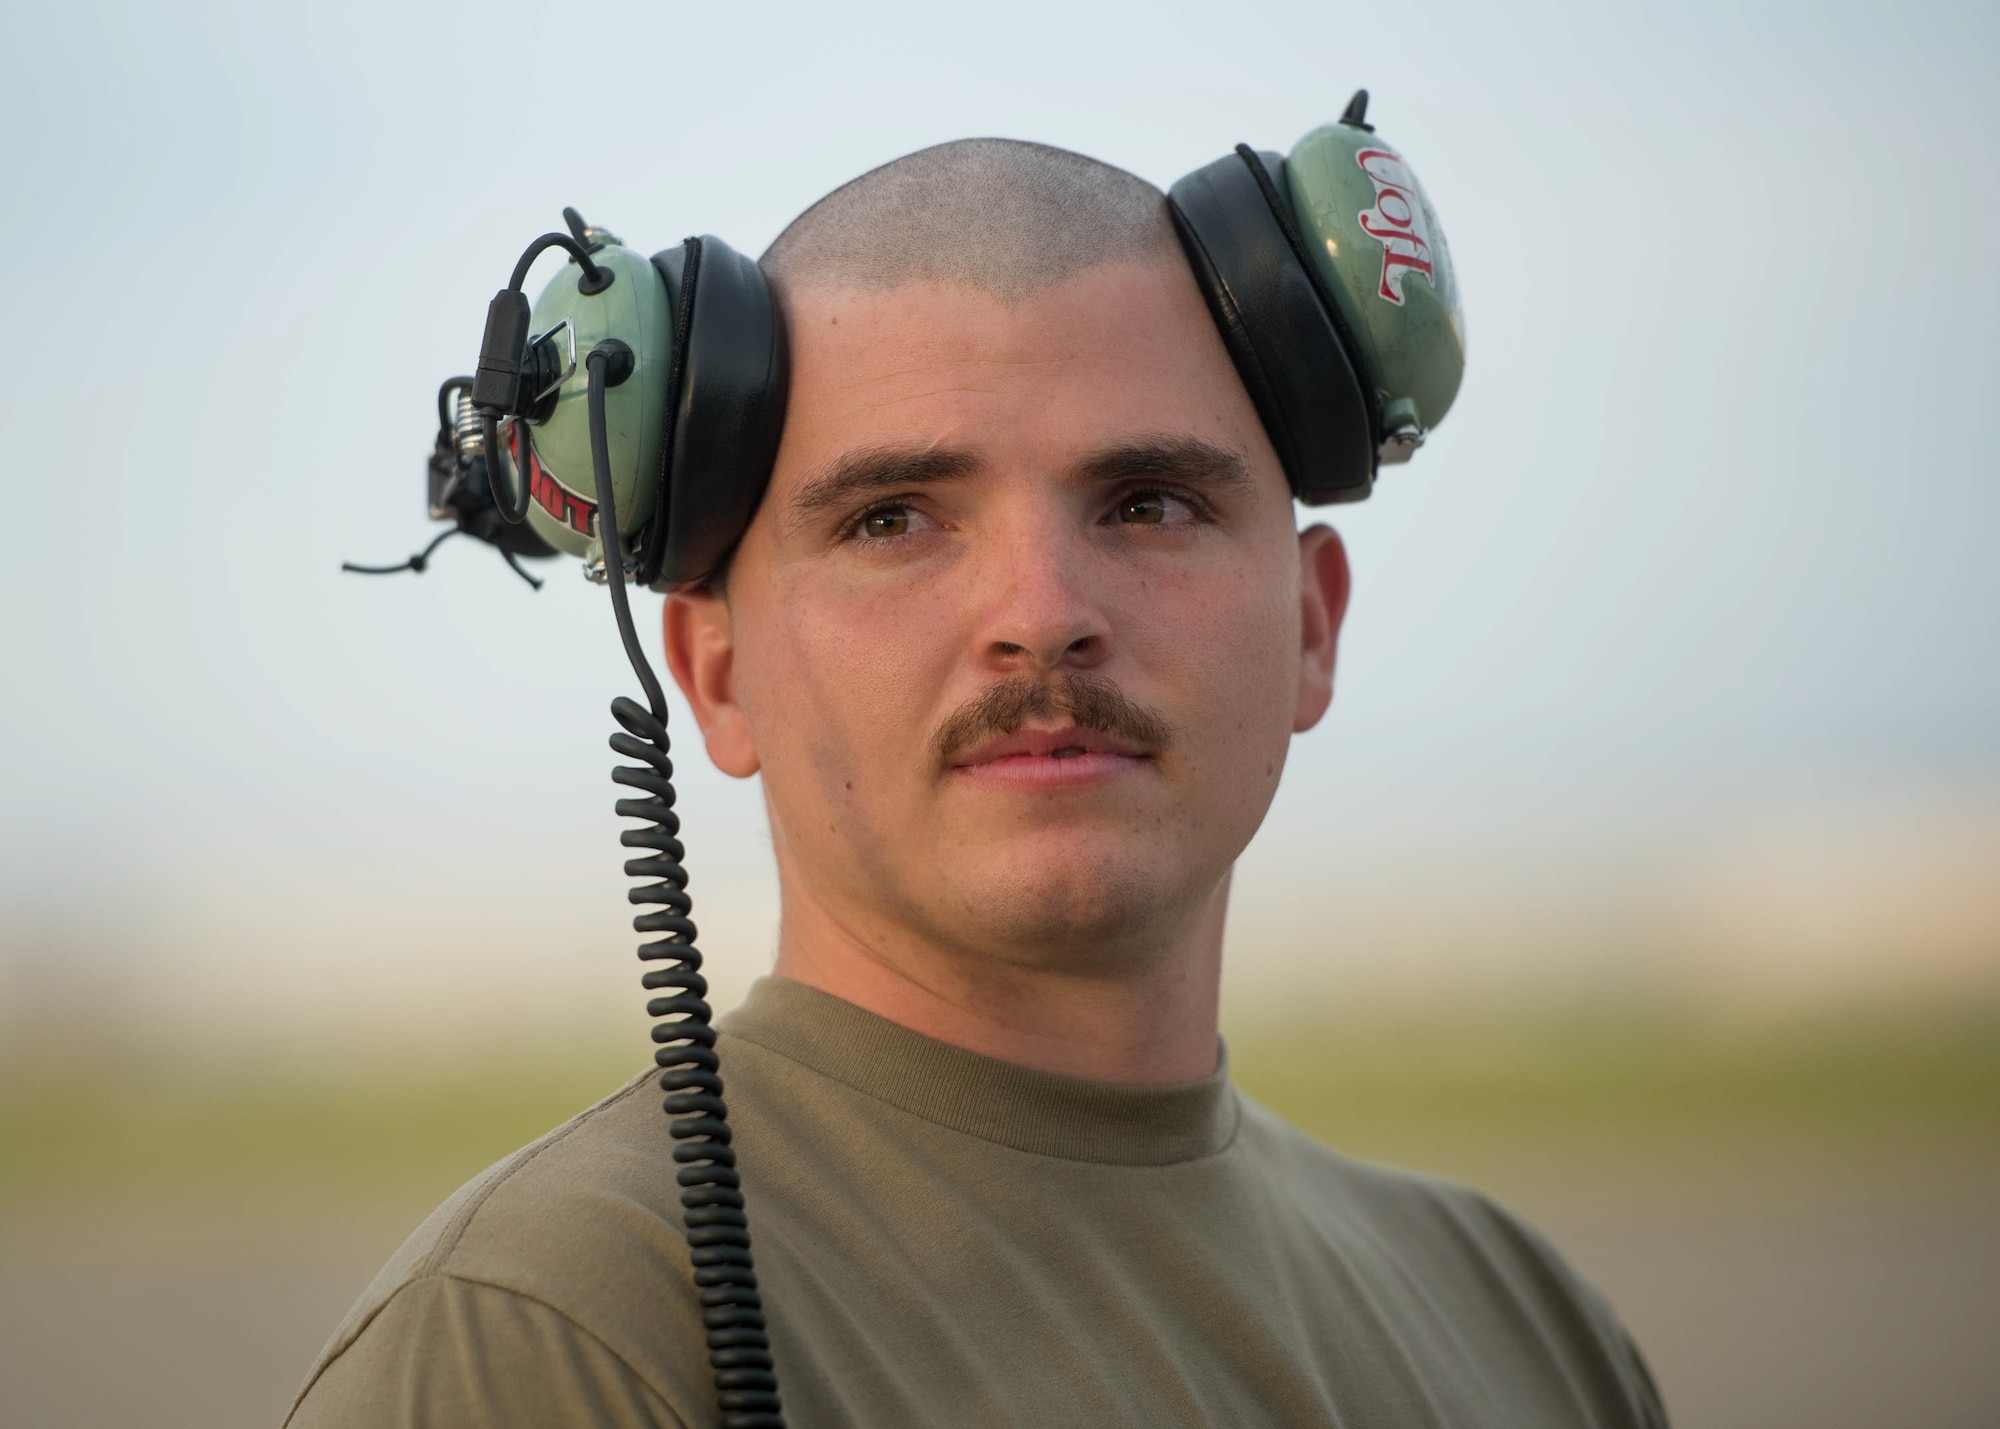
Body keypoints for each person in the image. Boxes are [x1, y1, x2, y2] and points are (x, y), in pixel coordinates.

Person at [288, 139, 1668, 1428]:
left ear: (1312, 628)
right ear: (713, 672)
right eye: (893, 519)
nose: (1042, 610)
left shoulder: (1533, 1331)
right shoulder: (547, 1342)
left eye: (1148, 502)